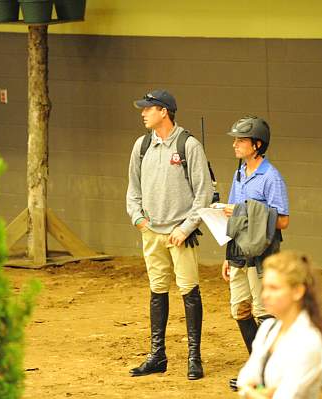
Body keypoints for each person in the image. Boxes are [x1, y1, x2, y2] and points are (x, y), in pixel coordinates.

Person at [126, 89, 213, 380]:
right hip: (151, 232)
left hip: (180, 235)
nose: (143, 113)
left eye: (148, 108)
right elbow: (133, 189)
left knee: (189, 290)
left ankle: (193, 357)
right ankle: (157, 355)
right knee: (157, 290)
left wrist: (186, 228)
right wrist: (138, 219)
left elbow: (204, 194)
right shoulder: (141, 146)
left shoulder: (189, 145)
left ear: (164, 111)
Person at [220, 116, 289, 388]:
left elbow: (283, 220)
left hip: (262, 256)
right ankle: (258, 366)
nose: (235, 145)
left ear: (257, 144)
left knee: (263, 312)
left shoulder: (271, 177)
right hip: (238, 253)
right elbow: (235, 219)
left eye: (241, 140)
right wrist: (227, 256)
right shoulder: (239, 173)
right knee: (240, 309)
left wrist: (245, 211)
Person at [236, 251, 322, 399]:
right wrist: (258, 392)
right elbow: (245, 378)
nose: (265, 295)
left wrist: (252, 392)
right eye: (265, 287)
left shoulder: (309, 341)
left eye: (274, 288)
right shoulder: (267, 328)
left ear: (297, 291)